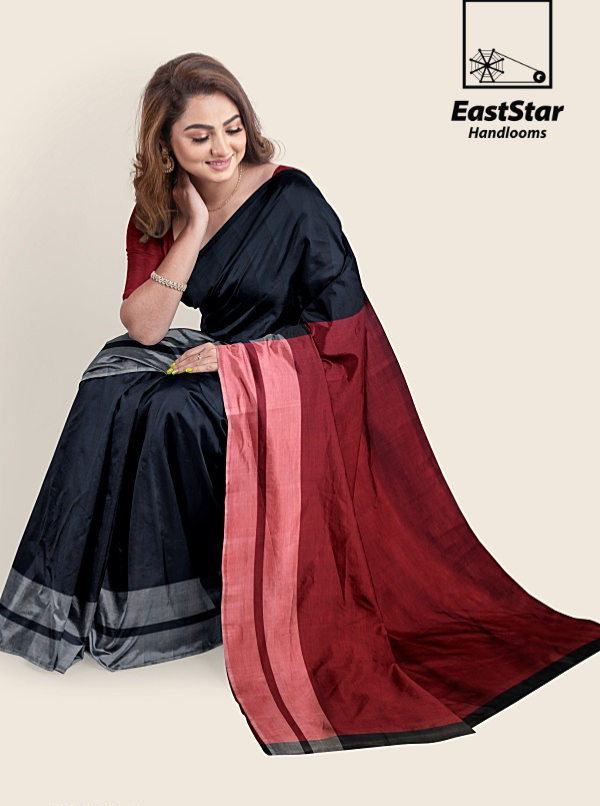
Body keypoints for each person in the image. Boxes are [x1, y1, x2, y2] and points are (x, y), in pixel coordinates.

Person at [1, 53, 599, 757]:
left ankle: (191, 601)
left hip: (304, 370)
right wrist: (191, 230)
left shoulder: (292, 197)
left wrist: (240, 360)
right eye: (199, 135)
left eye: (232, 127)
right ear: (165, 144)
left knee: (172, 408)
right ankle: (105, 602)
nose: (222, 147)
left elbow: (343, 329)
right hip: (227, 353)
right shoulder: (158, 213)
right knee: (110, 383)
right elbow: (145, 328)